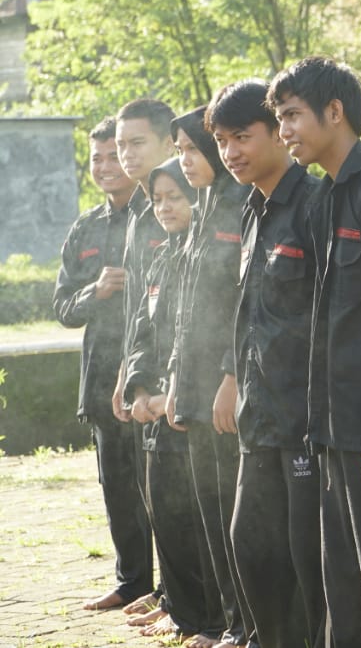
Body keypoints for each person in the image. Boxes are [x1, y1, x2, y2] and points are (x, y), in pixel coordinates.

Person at [267, 56, 361, 648]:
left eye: (292, 116)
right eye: (280, 119)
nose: (284, 131)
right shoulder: (325, 196)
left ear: (334, 112)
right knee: (344, 580)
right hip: (333, 424)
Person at [208, 81, 325, 648]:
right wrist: (232, 377)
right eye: (222, 141)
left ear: (279, 132)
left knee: (308, 560)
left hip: (305, 419)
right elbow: (251, 309)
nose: (230, 152)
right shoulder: (252, 209)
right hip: (260, 415)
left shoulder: (317, 204)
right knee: (251, 544)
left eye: (241, 137)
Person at [53, 116, 154, 612]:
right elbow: (63, 308)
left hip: (150, 379)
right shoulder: (86, 227)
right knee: (117, 487)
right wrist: (95, 292)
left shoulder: (159, 210)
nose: (107, 165)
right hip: (100, 381)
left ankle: (178, 592)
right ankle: (132, 582)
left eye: (115, 154)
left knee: (163, 488)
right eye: (97, 158)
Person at [122, 158, 220, 641]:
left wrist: (171, 396)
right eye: (157, 199)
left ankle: (211, 618)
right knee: (165, 511)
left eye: (174, 197)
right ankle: (180, 609)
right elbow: (144, 330)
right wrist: (140, 387)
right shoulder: (163, 257)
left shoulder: (207, 253)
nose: (164, 207)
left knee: (200, 520)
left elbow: (203, 337)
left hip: (190, 406)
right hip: (156, 408)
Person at [168, 105, 254, 648]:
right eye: (180, 151)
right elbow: (186, 311)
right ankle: (226, 622)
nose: (186, 160)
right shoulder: (202, 209)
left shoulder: (242, 204)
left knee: (234, 514)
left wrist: (230, 373)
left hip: (228, 385)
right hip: (196, 386)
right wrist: (177, 382)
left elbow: (244, 304)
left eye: (192, 149)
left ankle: (247, 624)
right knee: (209, 510)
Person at [109, 97, 176, 626]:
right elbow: (139, 307)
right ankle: (167, 593)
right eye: (119, 145)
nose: (125, 155)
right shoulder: (138, 209)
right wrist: (125, 376)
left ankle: (183, 601)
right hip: (141, 374)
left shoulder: (178, 204)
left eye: (137, 143)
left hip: (174, 379)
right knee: (153, 494)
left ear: (168, 142)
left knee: (180, 500)